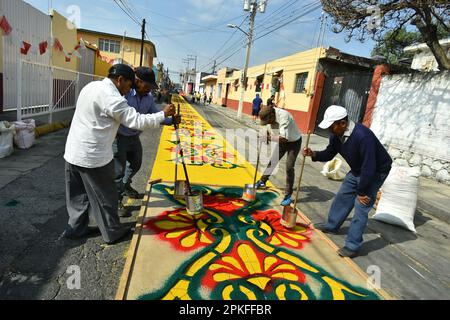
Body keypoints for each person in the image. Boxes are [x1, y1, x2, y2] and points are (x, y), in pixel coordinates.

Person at [62, 64, 177, 245]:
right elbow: (136, 120)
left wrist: (163, 117)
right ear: (120, 80)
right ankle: (112, 232)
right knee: (106, 196)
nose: (128, 91)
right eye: (129, 86)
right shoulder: (113, 98)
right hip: (93, 156)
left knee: (78, 195)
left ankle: (76, 228)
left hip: (73, 152)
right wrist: (162, 114)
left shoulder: (91, 86)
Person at [302, 105, 392, 258]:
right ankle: (332, 225)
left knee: (361, 206)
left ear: (343, 124)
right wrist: (314, 154)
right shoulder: (336, 135)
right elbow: (330, 153)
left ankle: (353, 246)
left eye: (332, 126)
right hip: (358, 169)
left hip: (376, 171)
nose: (329, 130)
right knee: (343, 196)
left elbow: (369, 167)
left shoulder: (363, 136)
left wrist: (362, 192)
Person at [114, 67, 177, 218]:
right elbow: (134, 119)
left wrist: (171, 120)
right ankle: (116, 200)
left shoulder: (148, 98)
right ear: (138, 81)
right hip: (119, 136)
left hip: (134, 137)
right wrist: (163, 114)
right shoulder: (126, 93)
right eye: (147, 85)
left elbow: (155, 115)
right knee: (118, 171)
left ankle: (125, 185)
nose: (149, 89)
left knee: (136, 164)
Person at [255, 105, 302, 207]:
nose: (268, 123)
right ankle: (262, 181)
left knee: (289, 167)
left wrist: (268, 138)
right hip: (282, 141)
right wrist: (265, 136)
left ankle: (288, 195)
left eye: (269, 121)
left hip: (294, 142)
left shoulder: (284, 116)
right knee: (273, 161)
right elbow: (267, 129)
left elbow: (283, 138)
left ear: (272, 116)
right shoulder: (268, 116)